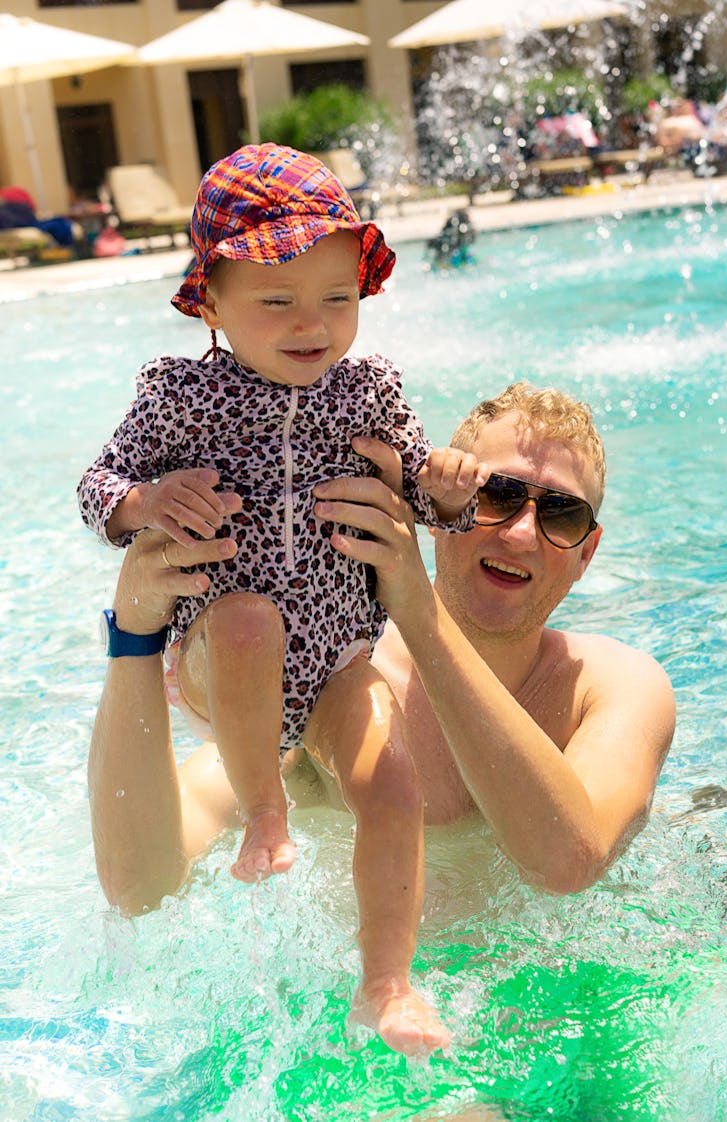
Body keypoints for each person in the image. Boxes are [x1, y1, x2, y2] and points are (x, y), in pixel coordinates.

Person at [86, 382, 675, 1053]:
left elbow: (565, 863)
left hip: (580, 1018)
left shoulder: (615, 687)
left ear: (586, 556)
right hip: (390, 1043)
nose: (520, 533)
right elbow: (140, 889)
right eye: (496, 496)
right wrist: (134, 635)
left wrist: (417, 611)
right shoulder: (343, 699)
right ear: (439, 509)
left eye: (561, 516)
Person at [80, 143, 486, 1056]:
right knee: (251, 618)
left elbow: (420, 491)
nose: (313, 324)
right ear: (212, 303)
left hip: (340, 648)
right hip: (225, 646)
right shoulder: (182, 398)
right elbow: (97, 484)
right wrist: (143, 503)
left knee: (394, 784)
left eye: (336, 298)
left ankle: (388, 983)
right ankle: (267, 811)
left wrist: (450, 491)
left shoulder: (370, 389)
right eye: (277, 301)